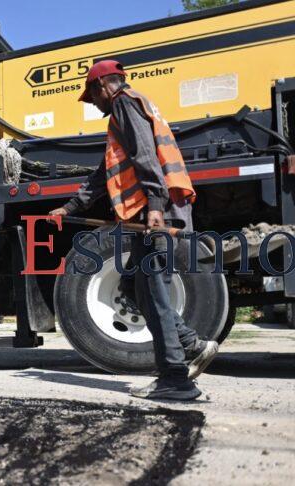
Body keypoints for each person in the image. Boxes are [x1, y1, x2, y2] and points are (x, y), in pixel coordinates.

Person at [49, 60, 218, 401]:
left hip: (156, 216)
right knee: (135, 287)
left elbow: (146, 156)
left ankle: (176, 379)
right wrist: (69, 208)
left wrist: (154, 205)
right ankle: (192, 345)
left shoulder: (124, 104)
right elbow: (104, 174)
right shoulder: (130, 110)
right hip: (153, 215)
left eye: (92, 96)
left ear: (102, 86)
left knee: (154, 295)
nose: (94, 104)